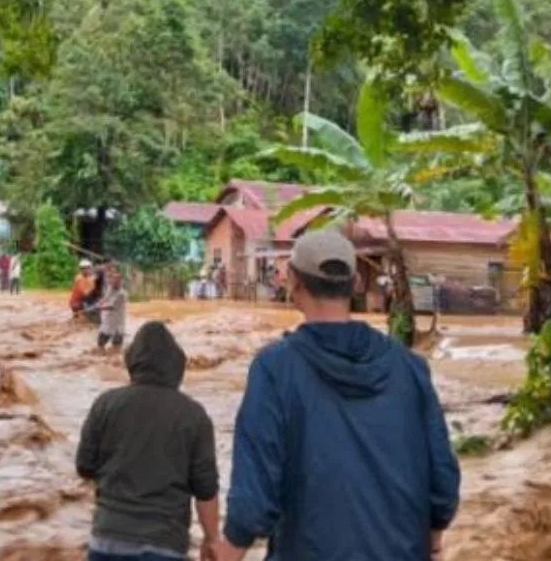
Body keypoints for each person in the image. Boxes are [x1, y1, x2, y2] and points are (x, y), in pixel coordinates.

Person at [213, 230, 461, 561]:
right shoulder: (410, 368)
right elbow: (442, 479)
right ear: (356, 282)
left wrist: (228, 551)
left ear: (294, 284)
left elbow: (254, 495)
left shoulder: (275, 368)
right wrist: (433, 543)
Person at [77, 320, 220, 561]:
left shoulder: (105, 404)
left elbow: (84, 467)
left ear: (132, 362)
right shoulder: (194, 415)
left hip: (106, 542)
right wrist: (211, 539)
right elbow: (206, 490)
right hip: (165, 544)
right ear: (177, 366)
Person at [94, 269, 127, 353]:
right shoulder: (110, 288)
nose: (115, 281)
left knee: (116, 347)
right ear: (111, 280)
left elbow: (112, 307)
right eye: (113, 278)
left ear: (121, 281)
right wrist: (99, 302)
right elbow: (106, 298)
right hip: (108, 320)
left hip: (118, 322)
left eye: (117, 279)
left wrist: (99, 308)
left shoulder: (122, 294)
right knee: (100, 343)